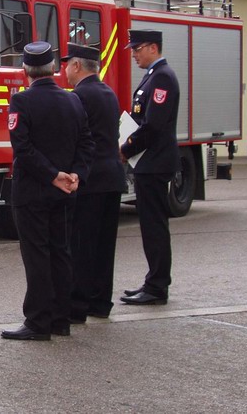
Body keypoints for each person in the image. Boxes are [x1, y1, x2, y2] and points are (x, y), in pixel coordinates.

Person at [1, 41, 94, 341]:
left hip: (32, 192)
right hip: (65, 191)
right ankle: (60, 320)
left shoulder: (21, 101)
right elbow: (86, 143)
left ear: (25, 70)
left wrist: (52, 175)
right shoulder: (73, 100)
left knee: (37, 255)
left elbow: (22, 148)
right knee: (61, 252)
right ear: (53, 68)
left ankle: (38, 321)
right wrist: (76, 174)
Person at [61, 43, 127, 321]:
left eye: (67, 65)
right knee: (104, 245)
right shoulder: (108, 93)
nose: (65, 70)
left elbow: (73, 138)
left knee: (81, 245)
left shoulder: (79, 96)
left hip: (90, 181)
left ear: (77, 66)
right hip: (112, 178)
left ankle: (77, 306)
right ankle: (100, 302)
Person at [120, 29, 180, 305]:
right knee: (150, 226)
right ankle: (153, 281)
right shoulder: (153, 76)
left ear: (153, 48)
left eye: (137, 49)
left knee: (154, 226)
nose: (133, 54)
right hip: (148, 162)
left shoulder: (162, 77)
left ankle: (157, 287)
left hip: (154, 162)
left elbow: (153, 125)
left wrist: (126, 149)